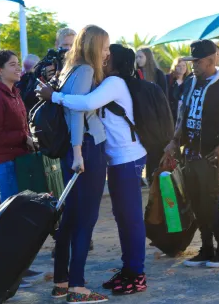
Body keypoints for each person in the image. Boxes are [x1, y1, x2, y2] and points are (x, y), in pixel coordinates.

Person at [38, 43, 149, 299]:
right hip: (117, 158)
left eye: (109, 55)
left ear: (115, 63)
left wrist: (53, 96)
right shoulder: (104, 80)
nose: (105, 56)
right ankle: (128, 269)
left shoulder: (115, 83)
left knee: (130, 217)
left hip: (128, 158)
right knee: (122, 216)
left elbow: (86, 102)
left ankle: (137, 274)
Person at [163, 39, 219, 269]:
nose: (193, 65)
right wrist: (174, 141)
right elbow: (183, 115)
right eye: (192, 61)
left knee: (211, 202)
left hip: (211, 156)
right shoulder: (190, 82)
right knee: (196, 202)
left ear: (210, 60)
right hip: (189, 153)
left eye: (197, 61)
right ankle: (206, 248)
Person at [46, 25, 110, 303]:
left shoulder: (69, 68)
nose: (108, 53)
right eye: (105, 47)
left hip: (75, 150)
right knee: (86, 219)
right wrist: (79, 153)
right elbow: (76, 111)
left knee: (71, 218)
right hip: (85, 148)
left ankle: (62, 281)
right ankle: (78, 287)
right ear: (95, 46)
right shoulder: (84, 70)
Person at [0, 50, 42, 287]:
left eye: (17, 64)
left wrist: (27, 137)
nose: (17, 68)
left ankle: (19, 267)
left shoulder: (14, 93)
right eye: (12, 65)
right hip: (3, 162)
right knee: (10, 221)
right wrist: (24, 139)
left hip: (17, 160)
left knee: (18, 219)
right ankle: (7, 272)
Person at [136, 47, 170, 185]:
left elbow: (164, 98)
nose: (137, 60)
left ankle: (153, 177)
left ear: (148, 58)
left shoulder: (158, 74)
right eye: (136, 57)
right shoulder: (134, 75)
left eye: (140, 57)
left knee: (155, 151)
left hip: (155, 120)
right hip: (139, 120)